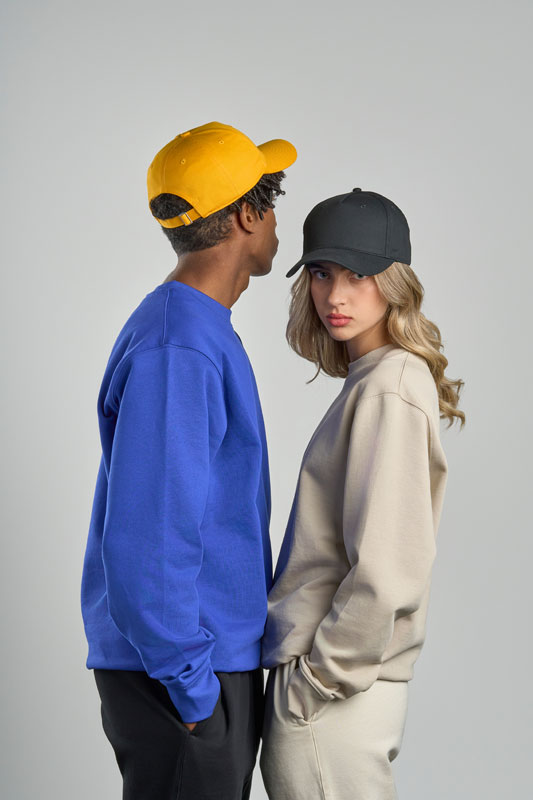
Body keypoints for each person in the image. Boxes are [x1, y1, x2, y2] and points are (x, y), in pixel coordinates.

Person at [80, 121, 297, 800]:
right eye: (271, 205)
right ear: (247, 216)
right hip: (182, 670)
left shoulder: (194, 329)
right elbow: (148, 537)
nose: (275, 222)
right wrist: (193, 688)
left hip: (200, 660)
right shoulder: (179, 346)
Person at [260, 188, 465, 800]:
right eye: (322, 274)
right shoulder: (374, 378)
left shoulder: (389, 386)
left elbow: (389, 567)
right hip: (335, 692)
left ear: (394, 281)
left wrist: (317, 683)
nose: (336, 296)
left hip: (333, 700)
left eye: (359, 275)